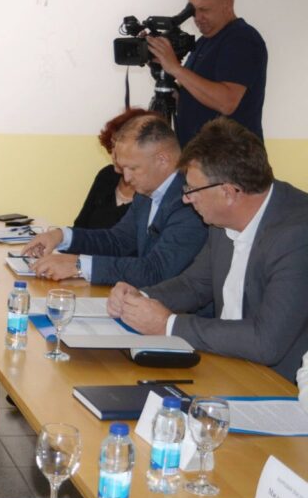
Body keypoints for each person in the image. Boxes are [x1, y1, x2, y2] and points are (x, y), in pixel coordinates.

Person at [108, 118, 308, 383]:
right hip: (227, 365)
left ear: (228, 192)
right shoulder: (221, 219)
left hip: (281, 386)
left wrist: (168, 325)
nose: (185, 198)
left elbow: (266, 342)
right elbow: (194, 285)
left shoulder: (297, 235)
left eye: (192, 189)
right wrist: (139, 298)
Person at [23, 115, 206, 285]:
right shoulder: (146, 193)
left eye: (133, 168)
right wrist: (61, 236)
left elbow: (155, 270)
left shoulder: (190, 200)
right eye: (123, 168)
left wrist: (79, 265)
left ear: (162, 160)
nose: (126, 177)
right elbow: (117, 241)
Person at [147, 0, 267, 147]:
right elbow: (196, 96)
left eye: (204, 10)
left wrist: (176, 69)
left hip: (233, 158)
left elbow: (227, 102)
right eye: (193, 11)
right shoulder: (204, 42)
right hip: (201, 156)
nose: (197, 18)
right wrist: (164, 71)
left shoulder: (242, 39)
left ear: (227, 4)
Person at [73, 109, 156, 230]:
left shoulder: (152, 189)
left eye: (121, 147)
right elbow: (80, 227)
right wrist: (60, 235)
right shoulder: (107, 175)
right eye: (112, 146)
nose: (114, 155)